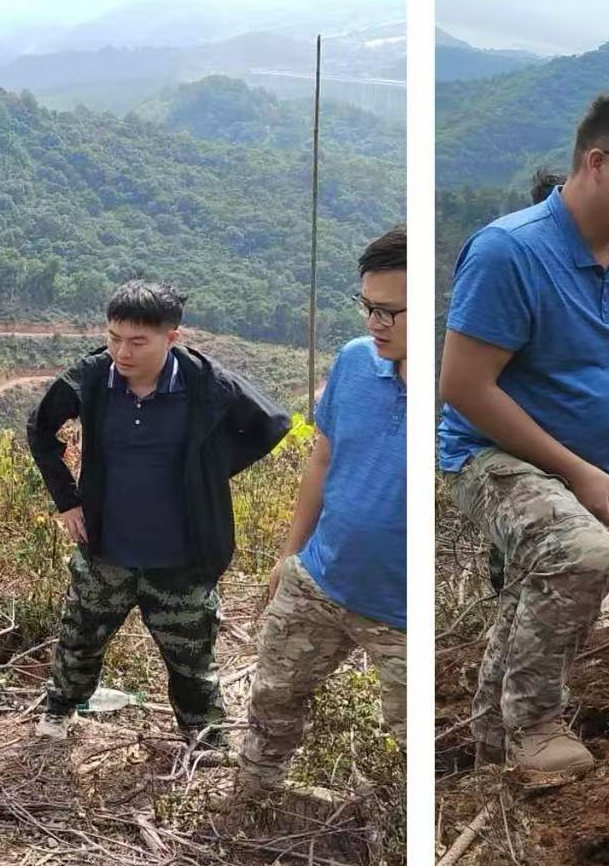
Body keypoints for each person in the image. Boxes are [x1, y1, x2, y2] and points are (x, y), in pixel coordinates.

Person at [440, 91, 609, 788]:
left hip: (582, 468)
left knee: (535, 589)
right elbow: (464, 387)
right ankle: (537, 722)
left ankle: (491, 741)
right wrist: (576, 471)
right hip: (491, 454)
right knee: (579, 555)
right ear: (598, 163)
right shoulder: (509, 252)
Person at [28, 280, 293, 746]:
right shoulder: (92, 377)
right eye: (113, 338)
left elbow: (272, 423)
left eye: (137, 342)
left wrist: (210, 470)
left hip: (181, 555)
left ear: (172, 338)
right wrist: (67, 500)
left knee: (192, 655)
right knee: (79, 636)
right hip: (106, 548)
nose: (121, 352)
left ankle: (203, 738)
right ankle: (60, 709)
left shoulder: (204, 383)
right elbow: (40, 427)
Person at [233, 228, 409, 806]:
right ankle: (254, 801)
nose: (374, 324)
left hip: (404, 614)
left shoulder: (464, 395)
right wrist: (290, 555)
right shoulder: (355, 364)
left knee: (413, 743)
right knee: (273, 698)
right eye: (368, 307)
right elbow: (323, 458)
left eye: (390, 312)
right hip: (321, 579)